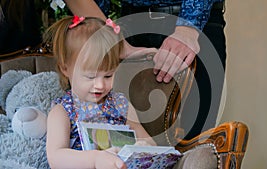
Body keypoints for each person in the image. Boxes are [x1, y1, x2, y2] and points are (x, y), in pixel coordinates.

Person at [64, 0, 226, 140]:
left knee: (196, 142)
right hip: (129, 26)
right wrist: (110, 37)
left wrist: (188, 27)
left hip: (197, 26)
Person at [45, 16, 156, 169]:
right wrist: (96, 159)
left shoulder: (120, 104)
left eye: (108, 75)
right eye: (90, 77)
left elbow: (148, 141)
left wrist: (142, 147)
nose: (100, 85)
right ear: (65, 69)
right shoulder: (63, 110)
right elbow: (55, 157)